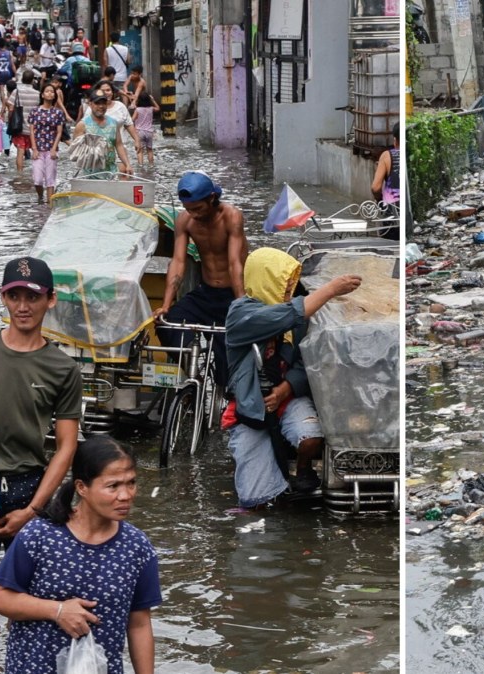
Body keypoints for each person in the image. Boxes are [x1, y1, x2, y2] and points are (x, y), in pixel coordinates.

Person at [0, 255, 83, 641]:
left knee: (32, 600)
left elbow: (66, 447)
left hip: (30, 486)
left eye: (32, 296)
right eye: (14, 296)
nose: (23, 306)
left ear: (50, 300)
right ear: (3, 298)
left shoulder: (62, 368)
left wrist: (32, 510)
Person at [0, 436, 159, 674]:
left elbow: (139, 624)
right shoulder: (40, 535)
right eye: (113, 486)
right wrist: (56, 610)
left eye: (131, 483)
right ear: (81, 487)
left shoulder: (137, 547)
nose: (126, 495)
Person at [222, 248, 362, 504]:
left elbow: (305, 358)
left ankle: (303, 468)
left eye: (290, 289)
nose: (288, 295)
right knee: (254, 498)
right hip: (252, 405)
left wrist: (286, 389)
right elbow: (286, 315)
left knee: (311, 438)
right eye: (283, 288)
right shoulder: (241, 314)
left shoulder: (298, 316)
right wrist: (330, 289)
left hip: (287, 396)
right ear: (266, 283)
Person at [156, 171, 248, 387]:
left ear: (212, 199)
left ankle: (226, 394)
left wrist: (241, 303)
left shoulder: (231, 216)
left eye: (198, 209)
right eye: (189, 209)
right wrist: (166, 305)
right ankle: (194, 373)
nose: (194, 214)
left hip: (232, 295)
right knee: (166, 324)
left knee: (229, 364)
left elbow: (236, 263)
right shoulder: (185, 220)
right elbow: (178, 262)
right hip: (205, 292)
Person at [74, 90, 131, 174]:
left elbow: (119, 145)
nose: (101, 106)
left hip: (111, 173)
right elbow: (76, 150)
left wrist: (127, 164)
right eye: (97, 103)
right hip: (89, 175)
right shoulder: (82, 125)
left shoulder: (113, 123)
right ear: (90, 104)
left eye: (103, 103)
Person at [30, 83, 67, 204]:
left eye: (52, 91)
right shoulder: (35, 111)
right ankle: (40, 198)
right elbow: (32, 131)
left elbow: (59, 132)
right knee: (37, 180)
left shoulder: (58, 113)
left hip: (51, 149)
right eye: (47, 91)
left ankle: (49, 205)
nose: (50, 93)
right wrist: (34, 149)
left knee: (50, 180)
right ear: (42, 94)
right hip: (38, 149)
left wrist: (54, 148)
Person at [5, 71, 40, 172]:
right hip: (33, 129)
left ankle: (20, 174)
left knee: (20, 152)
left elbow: (10, 107)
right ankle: (36, 172)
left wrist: (10, 120)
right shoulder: (37, 94)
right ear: (33, 80)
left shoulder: (17, 92)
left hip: (19, 128)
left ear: (22, 79)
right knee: (35, 150)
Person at [130, 91, 158, 166]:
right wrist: (153, 100)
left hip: (139, 132)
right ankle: (151, 165)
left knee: (140, 151)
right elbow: (158, 108)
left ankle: (140, 166)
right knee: (150, 150)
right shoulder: (151, 109)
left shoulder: (138, 110)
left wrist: (135, 100)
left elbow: (131, 120)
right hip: (149, 132)